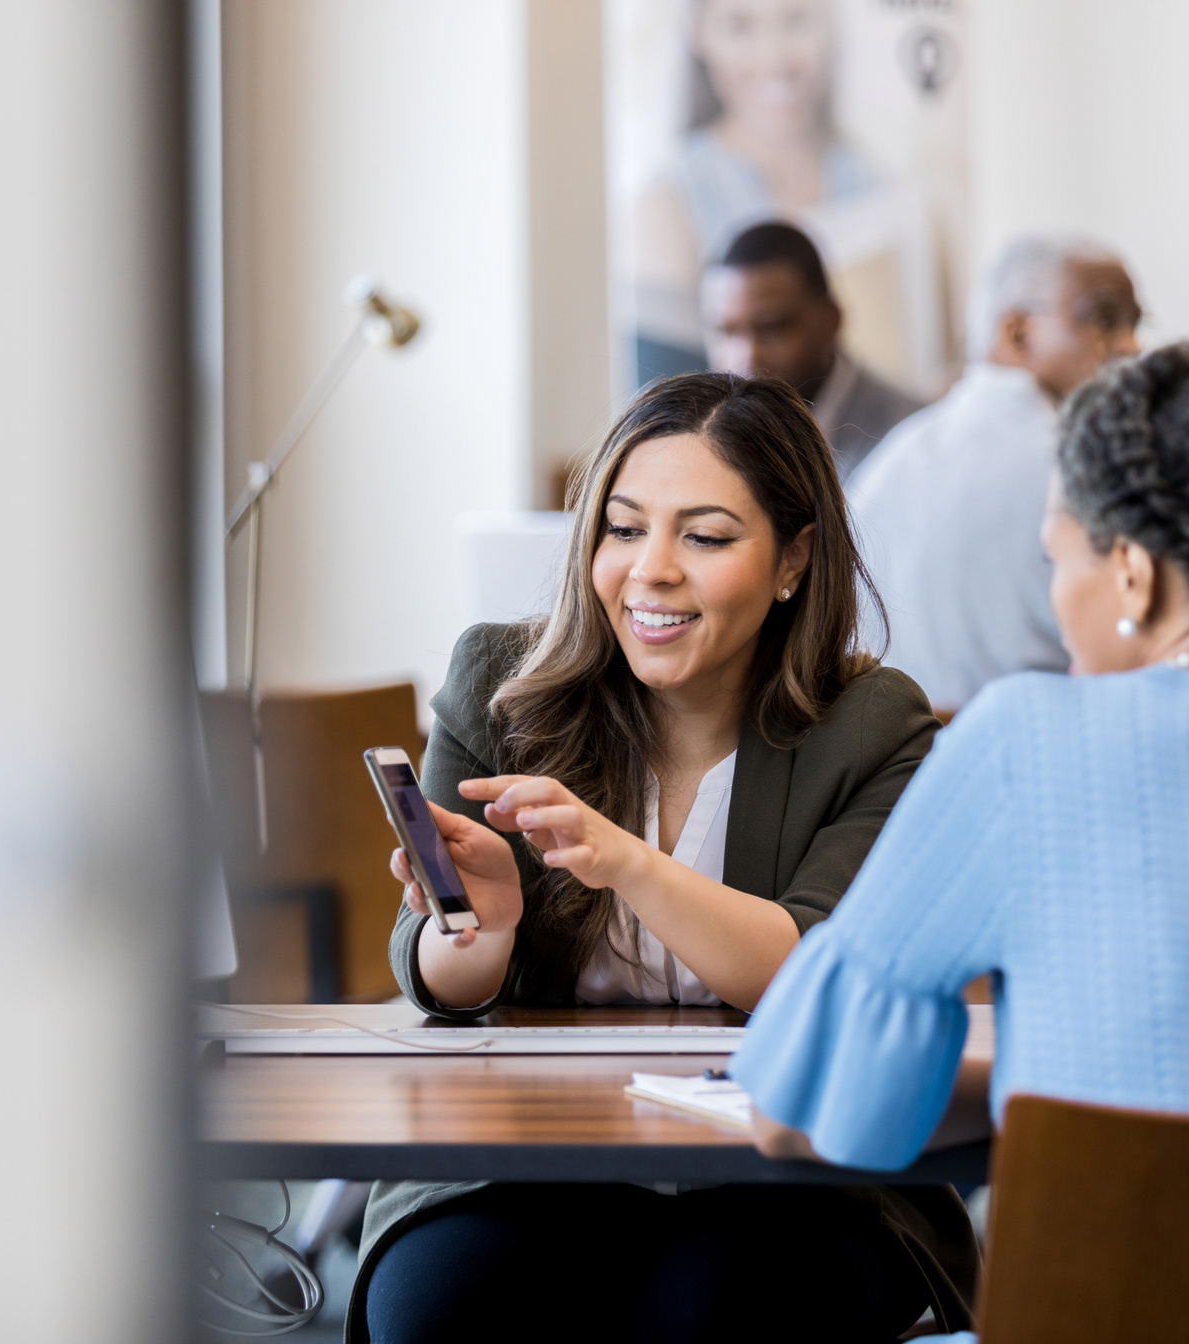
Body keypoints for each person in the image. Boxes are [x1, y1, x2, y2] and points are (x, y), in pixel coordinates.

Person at [733, 335, 1189, 1183]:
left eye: (1057, 558)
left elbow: (799, 1113)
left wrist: (1036, 1094)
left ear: (1132, 573)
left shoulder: (1022, 742)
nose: (1055, 598)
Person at [349, 372, 977, 1343]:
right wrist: (480, 923)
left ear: (793, 560)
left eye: (706, 536)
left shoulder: (874, 723)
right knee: (446, 1308)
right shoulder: (500, 686)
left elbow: (812, 971)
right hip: (530, 1165)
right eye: (624, 528)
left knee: (714, 1313)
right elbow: (444, 981)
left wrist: (627, 861)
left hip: (793, 1176)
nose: (651, 570)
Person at [849, 235, 1143, 713]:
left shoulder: (891, 460)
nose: (1133, 346)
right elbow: (1141, 660)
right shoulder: (1083, 464)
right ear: (1017, 332)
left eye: (1136, 323)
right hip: (1048, 761)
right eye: (1105, 320)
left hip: (893, 773)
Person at [630, 0, 952, 392]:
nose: (775, 56)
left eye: (797, 19)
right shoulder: (668, 202)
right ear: (699, 33)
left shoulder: (885, 186)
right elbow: (661, 409)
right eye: (739, 25)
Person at [702, 221, 924, 483]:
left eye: (772, 328)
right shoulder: (705, 435)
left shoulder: (909, 440)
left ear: (832, 320)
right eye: (726, 332)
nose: (747, 357)